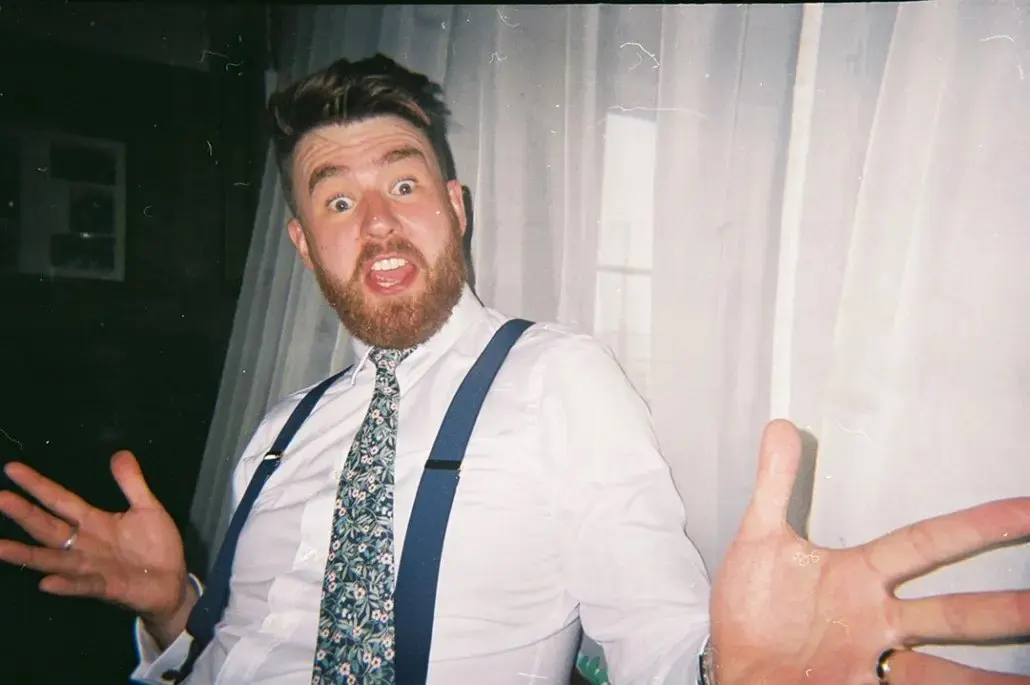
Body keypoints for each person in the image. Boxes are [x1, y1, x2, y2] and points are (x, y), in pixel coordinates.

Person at [0, 54, 1027, 685]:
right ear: (304, 247)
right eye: (339, 200)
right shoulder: (276, 434)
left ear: (457, 208)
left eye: (405, 183)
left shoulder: (558, 378)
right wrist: (170, 610)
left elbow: (656, 635)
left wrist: (732, 670)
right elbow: (239, 648)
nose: (380, 221)